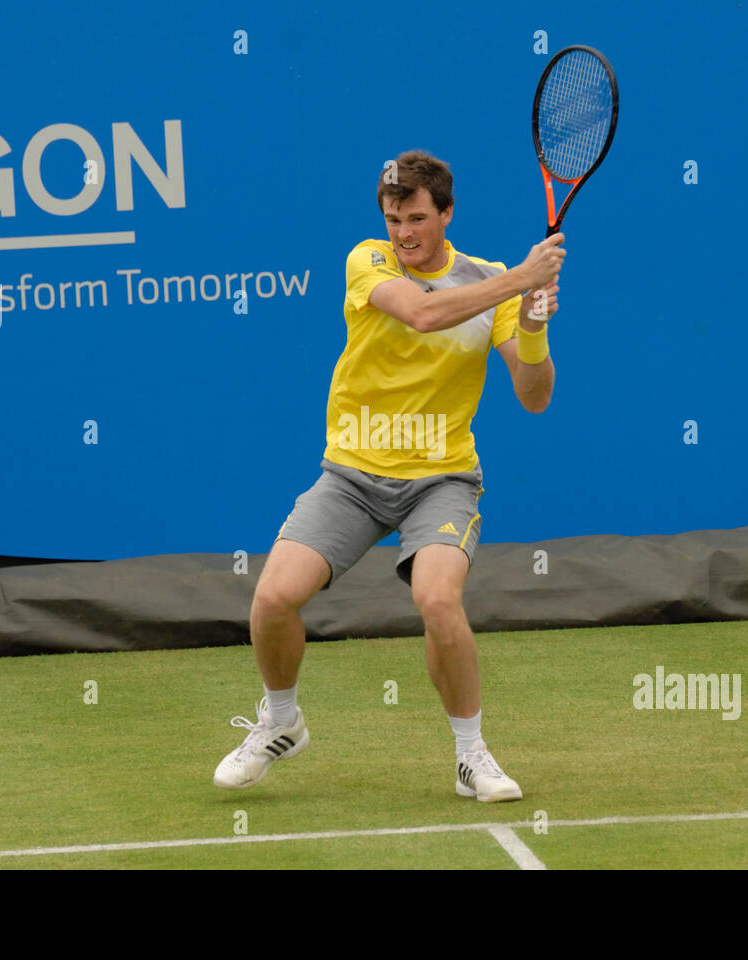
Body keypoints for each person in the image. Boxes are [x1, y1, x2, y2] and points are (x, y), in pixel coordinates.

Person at [213, 150, 564, 802]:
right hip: (352, 474)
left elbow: (534, 396)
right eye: (394, 218)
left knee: (437, 598)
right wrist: (520, 279)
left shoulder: (489, 281)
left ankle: (471, 757)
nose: (404, 232)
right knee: (271, 598)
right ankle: (281, 722)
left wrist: (535, 324)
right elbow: (424, 313)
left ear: (447, 214)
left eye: (418, 219)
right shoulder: (367, 260)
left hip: (442, 479)